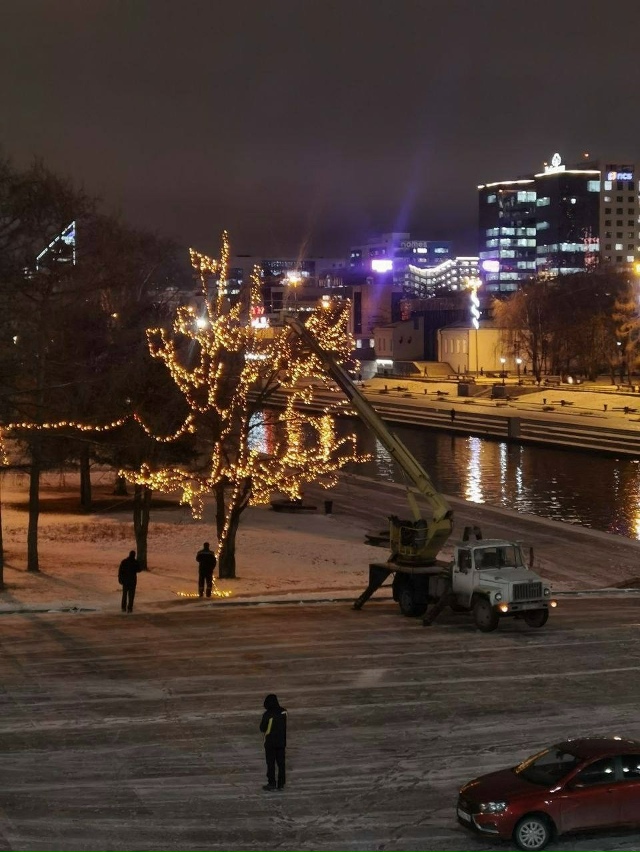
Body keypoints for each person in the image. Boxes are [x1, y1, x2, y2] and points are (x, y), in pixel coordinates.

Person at [260, 693, 287, 791]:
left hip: (270, 742)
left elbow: (262, 728)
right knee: (281, 763)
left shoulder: (267, 714)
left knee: (271, 764)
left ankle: (272, 783)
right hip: (281, 741)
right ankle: (281, 784)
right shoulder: (284, 712)